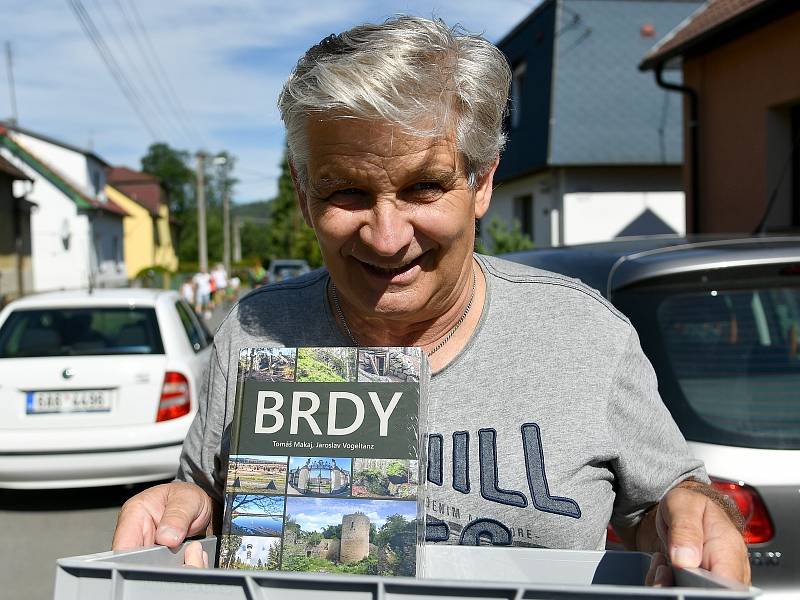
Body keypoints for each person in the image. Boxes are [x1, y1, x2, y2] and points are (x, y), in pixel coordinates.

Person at [113, 16, 749, 585]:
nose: (387, 238)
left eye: (423, 187)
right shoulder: (257, 332)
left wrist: (693, 512)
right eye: (347, 194)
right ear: (304, 195)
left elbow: (660, 504)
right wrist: (181, 510)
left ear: (481, 183)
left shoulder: (584, 334)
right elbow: (208, 500)